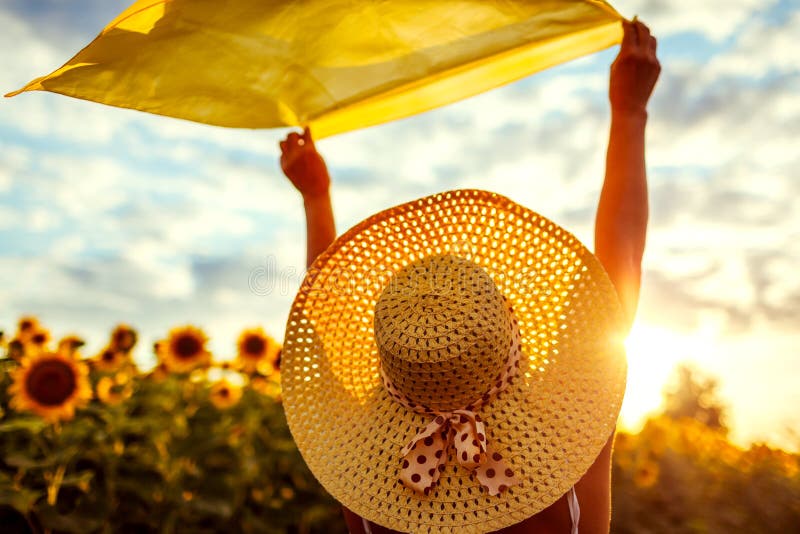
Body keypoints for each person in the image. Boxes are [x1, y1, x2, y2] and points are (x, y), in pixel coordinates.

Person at [279, 18, 660, 534]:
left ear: (390, 352)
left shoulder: (362, 480)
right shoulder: (562, 436)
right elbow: (621, 261)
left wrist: (316, 199)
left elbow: (327, 315)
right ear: (509, 320)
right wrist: (630, 111)